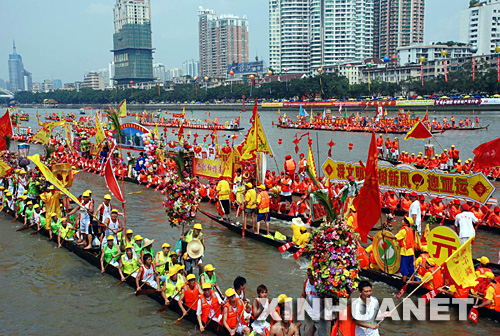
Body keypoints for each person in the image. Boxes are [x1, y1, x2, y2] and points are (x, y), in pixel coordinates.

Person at [299, 264, 329, 336]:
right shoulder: (306, 282)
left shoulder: (320, 284)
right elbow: (303, 295)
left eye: (310, 270)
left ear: (315, 272)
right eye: (307, 270)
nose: (308, 272)